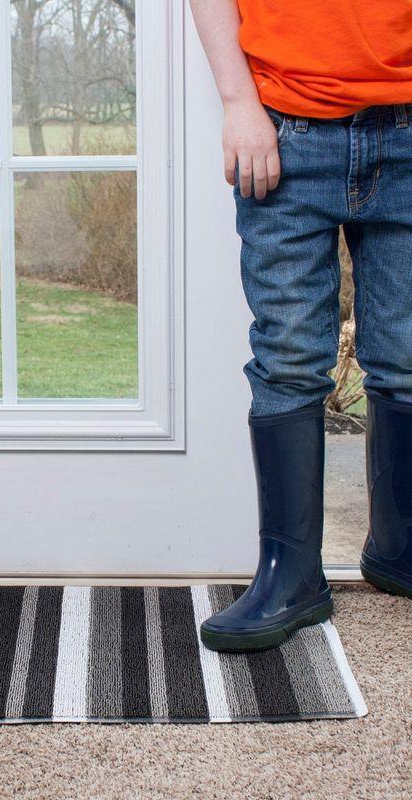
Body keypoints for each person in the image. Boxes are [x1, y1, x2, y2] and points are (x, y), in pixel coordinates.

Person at [188, 0, 412, 652]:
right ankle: (292, 577)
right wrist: (237, 101)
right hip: (285, 131)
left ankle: (398, 550)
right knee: (289, 356)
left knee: (405, 353)